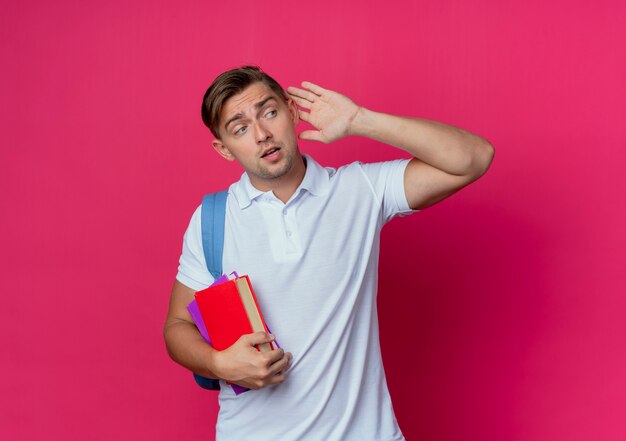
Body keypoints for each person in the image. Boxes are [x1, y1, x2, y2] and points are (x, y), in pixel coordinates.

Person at [164, 66, 494, 440]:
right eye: (240, 128)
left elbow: (474, 157)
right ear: (224, 148)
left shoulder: (360, 190)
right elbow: (177, 327)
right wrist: (217, 361)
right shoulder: (212, 219)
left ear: (291, 110)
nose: (262, 135)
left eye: (269, 112)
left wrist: (360, 120)